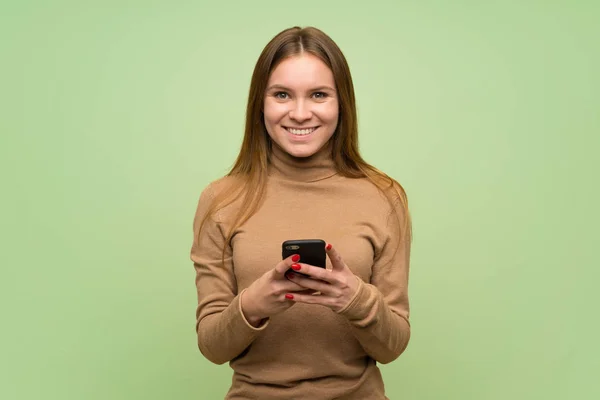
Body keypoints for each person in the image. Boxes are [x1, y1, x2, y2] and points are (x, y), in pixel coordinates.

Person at [190, 26, 412, 400]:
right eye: (282, 95)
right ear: (260, 103)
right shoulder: (220, 199)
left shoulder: (383, 196)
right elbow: (212, 347)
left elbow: (392, 347)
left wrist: (353, 299)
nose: (299, 112)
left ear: (341, 103)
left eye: (319, 95)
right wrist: (253, 304)